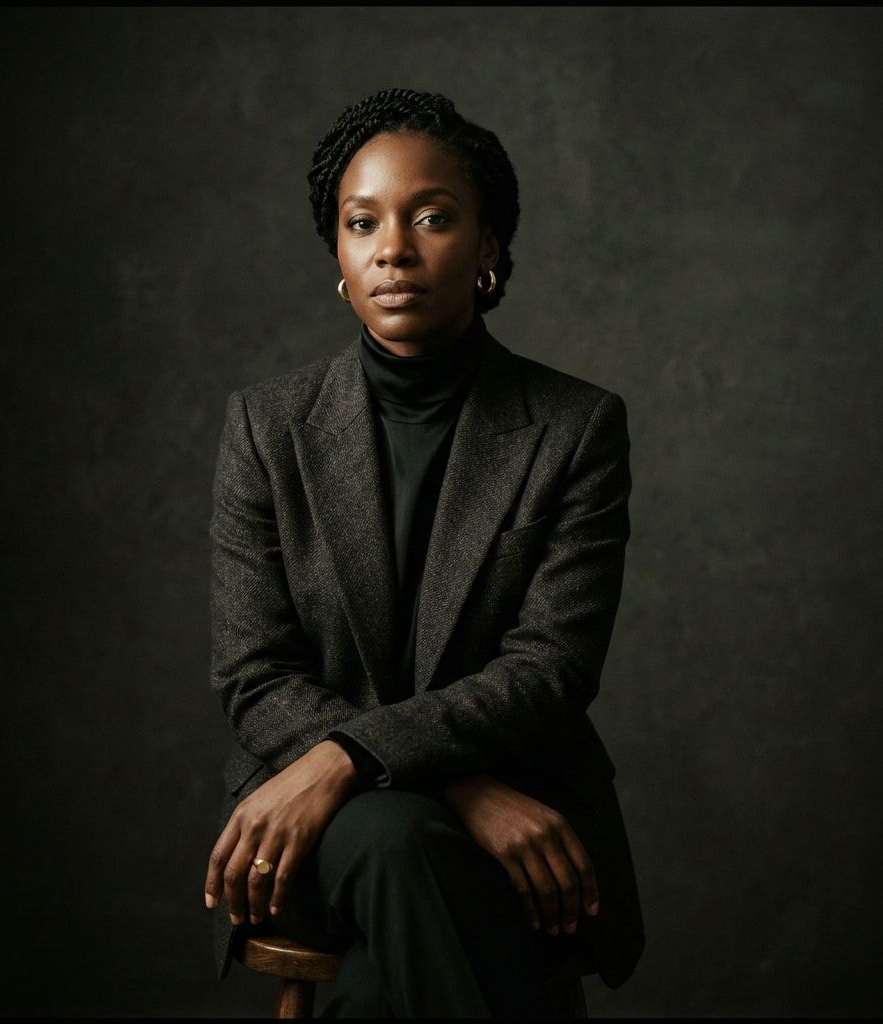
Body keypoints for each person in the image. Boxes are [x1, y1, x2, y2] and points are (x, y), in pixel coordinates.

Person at [203, 88, 644, 1018]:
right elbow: (254, 675)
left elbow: (550, 670)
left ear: (488, 251)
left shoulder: (573, 427)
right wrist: (450, 783)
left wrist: (347, 758)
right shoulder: (267, 427)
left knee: (391, 899)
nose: (393, 248)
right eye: (362, 223)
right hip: (313, 829)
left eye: (433, 218)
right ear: (339, 255)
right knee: (393, 836)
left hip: (518, 818)